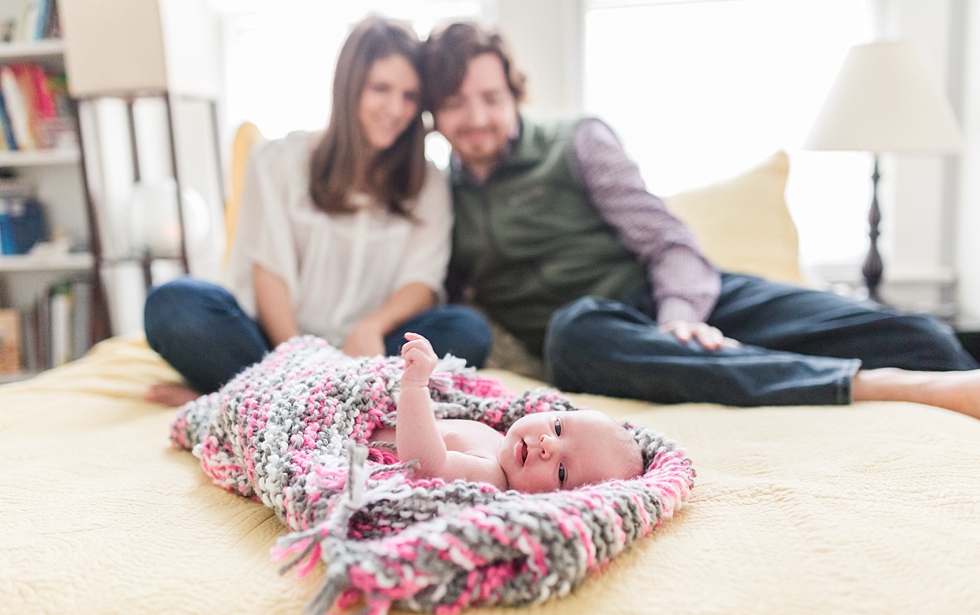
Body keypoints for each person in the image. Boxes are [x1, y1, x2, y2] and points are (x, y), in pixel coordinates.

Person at [421, 21, 980, 421]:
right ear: (434, 115)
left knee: (920, 335)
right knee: (571, 335)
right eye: (455, 104)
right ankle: (862, 385)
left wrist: (680, 318)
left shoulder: (576, 141)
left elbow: (670, 244)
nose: (475, 119)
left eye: (490, 98)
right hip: (602, 337)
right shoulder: (438, 198)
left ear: (514, 94)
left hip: (675, 301)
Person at [143, 17, 492, 407]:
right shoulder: (275, 161)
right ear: (349, 86)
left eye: (410, 96)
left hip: (368, 353)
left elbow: (422, 281)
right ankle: (314, 401)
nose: (396, 108)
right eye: (381, 88)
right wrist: (298, 362)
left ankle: (243, 401)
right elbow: (269, 272)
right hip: (274, 347)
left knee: (469, 331)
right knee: (172, 305)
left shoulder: (427, 181)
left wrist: (371, 326)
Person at [366, 333, 643, 493]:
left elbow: (425, 467)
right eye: (558, 428)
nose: (548, 445)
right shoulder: (498, 439)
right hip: (371, 408)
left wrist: (415, 386)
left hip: (359, 438)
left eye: (561, 472)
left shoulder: (491, 475)